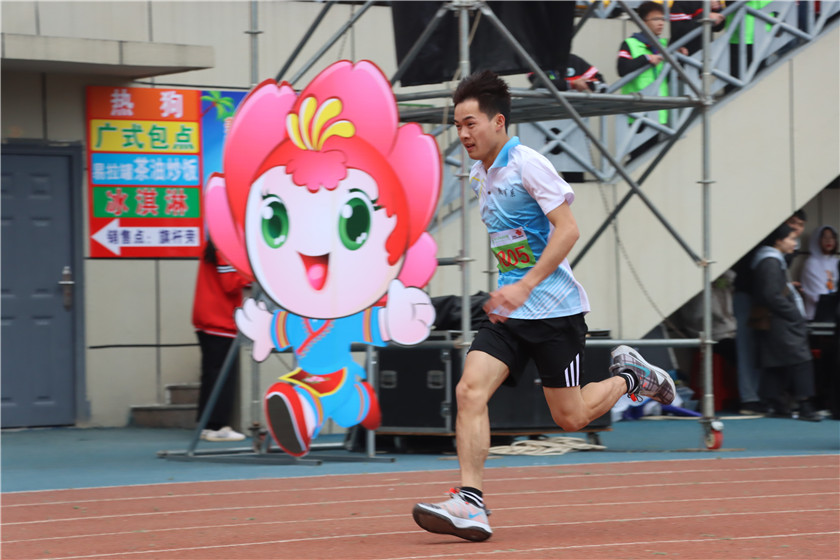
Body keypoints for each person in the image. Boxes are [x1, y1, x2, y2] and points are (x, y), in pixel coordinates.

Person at [411, 70, 677, 542]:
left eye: (471, 124)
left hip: (555, 312)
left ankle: (632, 377)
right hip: (509, 314)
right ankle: (470, 502)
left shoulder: (528, 164)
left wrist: (527, 284)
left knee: (570, 418)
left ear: (498, 121)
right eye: (457, 126)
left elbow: (568, 229)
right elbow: (515, 244)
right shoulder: (479, 175)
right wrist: (511, 289)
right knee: (470, 391)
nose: (463, 134)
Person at [750, 224, 821, 422]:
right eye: (791, 239)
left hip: (775, 321)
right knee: (801, 361)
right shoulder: (771, 262)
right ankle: (805, 404)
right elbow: (772, 295)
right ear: (778, 240)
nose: (794, 243)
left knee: (776, 362)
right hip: (781, 320)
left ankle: (776, 403)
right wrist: (794, 314)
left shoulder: (768, 259)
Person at [192, 237, 251, 441]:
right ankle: (218, 427)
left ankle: (207, 425)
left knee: (212, 375)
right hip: (220, 319)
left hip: (207, 317)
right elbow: (230, 283)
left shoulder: (213, 245)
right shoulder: (225, 248)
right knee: (222, 377)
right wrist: (253, 276)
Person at [617, 1, 688, 125]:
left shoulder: (665, 46)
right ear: (642, 22)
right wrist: (646, 58)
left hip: (659, 112)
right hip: (637, 111)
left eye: (662, 19)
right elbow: (622, 69)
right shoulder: (630, 43)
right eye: (656, 19)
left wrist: (679, 56)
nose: (661, 23)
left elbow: (670, 76)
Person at [800, 225, 838, 320]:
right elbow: (817, 295)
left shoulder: (836, 262)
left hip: (835, 314)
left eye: (832, 237)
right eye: (825, 237)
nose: (829, 241)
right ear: (817, 240)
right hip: (816, 314)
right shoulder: (811, 263)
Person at [527, 53, 607, 93]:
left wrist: (586, 83)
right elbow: (540, 83)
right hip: (547, 111)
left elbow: (603, 86)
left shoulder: (574, 60)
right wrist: (572, 83)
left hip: (576, 110)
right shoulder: (538, 61)